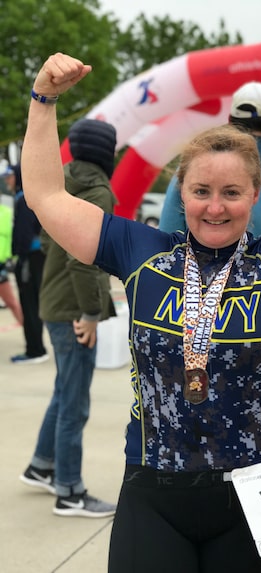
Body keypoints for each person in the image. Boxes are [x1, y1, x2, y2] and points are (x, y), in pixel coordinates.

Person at [21, 52, 261, 572]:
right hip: (155, 487)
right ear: (181, 194)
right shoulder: (142, 254)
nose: (215, 206)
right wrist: (43, 100)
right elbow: (46, 195)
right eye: (201, 191)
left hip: (258, 489)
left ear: (254, 193)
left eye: (231, 192)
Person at [160, 81, 261, 409]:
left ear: (231, 118)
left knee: (187, 428)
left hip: (194, 323)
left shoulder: (194, 170)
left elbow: (167, 245)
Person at [19, 118, 118, 518]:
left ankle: (42, 465)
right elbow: (84, 262)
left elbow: (52, 241)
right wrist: (92, 313)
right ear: (106, 153)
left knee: (64, 391)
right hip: (75, 308)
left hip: (52, 300)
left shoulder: (59, 181)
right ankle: (69, 491)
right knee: (74, 402)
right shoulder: (97, 192)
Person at [2, 163, 48, 363]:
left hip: (30, 258)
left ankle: (35, 350)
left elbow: (23, 235)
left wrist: (16, 256)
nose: (7, 180)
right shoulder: (31, 197)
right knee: (32, 304)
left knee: (29, 304)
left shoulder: (24, 200)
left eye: (10, 176)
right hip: (36, 257)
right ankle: (36, 348)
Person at [0, 174, 23, 326]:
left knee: (12, 303)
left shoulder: (7, 212)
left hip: (2, 265)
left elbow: (15, 236)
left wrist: (13, 259)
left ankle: (31, 337)